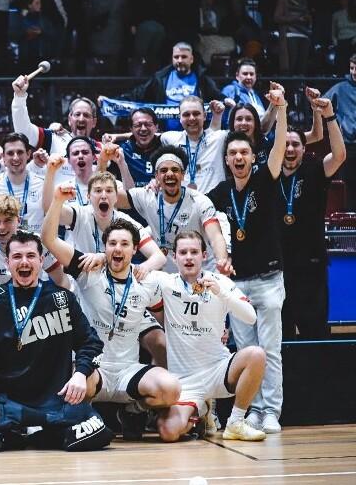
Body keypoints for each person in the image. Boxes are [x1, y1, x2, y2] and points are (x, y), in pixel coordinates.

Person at [0, 230, 111, 453]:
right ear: (8, 262)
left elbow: (91, 343)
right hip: (6, 403)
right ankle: (23, 435)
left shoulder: (63, 298)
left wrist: (80, 373)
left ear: (41, 260)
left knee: (96, 434)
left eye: (30, 256)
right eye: (17, 257)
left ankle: (37, 435)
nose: (24, 262)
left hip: (56, 402)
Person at [41, 204, 181, 441]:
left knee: (171, 388)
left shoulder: (147, 281)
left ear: (135, 249)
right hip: (94, 368)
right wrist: (56, 198)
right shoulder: (88, 270)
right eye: (112, 243)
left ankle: (133, 411)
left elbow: (169, 308)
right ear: (104, 248)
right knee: (74, 385)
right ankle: (89, 417)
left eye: (125, 244)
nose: (118, 249)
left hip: (128, 370)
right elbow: (49, 239)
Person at [206, 87, 288, 434]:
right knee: (246, 350)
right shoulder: (220, 194)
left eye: (244, 152)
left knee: (270, 349)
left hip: (268, 280)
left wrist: (280, 109)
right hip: (236, 284)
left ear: (253, 157)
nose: (238, 157)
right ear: (226, 159)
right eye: (233, 153)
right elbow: (193, 204)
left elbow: (280, 146)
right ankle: (251, 411)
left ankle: (271, 411)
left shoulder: (265, 181)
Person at [154, 232, 267, 442]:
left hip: (217, 369)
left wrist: (221, 294)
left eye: (194, 252)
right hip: (184, 381)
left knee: (257, 355)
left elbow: (251, 317)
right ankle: (202, 411)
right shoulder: (165, 283)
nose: (189, 257)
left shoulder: (220, 282)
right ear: (174, 257)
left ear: (204, 255)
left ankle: (235, 422)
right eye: (183, 252)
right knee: (168, 432)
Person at [280, 99, 346, 339]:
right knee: (281, 333)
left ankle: (318, 377)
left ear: (304, 148)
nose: (289, 149)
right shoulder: (268, 175)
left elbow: (339, 156)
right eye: (285, 144)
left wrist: (328, 115)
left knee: (315, 331)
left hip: (311, 264)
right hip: (278, 267)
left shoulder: (315, 170)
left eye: (295, 144)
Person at [114, 145, 232, 274]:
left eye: (175, 170)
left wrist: (222, 261)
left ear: (183, 175)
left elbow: (215, 236)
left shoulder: (200, 201)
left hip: (202, 273)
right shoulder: (147, 196)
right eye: (164, 170)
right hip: (170, 278)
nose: (169, 174)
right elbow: (111, 198)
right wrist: (105, 162)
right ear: (156, 176)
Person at [105, 42, 223, 131]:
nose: (180, 60)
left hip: (195, 134)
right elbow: (138, 94)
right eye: (176, 57)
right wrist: (112, 101)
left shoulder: (202, 79)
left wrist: (227, 101)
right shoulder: (161, 78)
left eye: (184, 57)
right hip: (166, 135)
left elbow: (218, 97)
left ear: (191, 59)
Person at [12, 74, 99, 184]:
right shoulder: (53, 138)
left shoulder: (101, 149)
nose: (81, 118)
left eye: (86, 115)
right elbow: (23, 131)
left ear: (94, 122)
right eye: (77, 114)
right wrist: (19, 97)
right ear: (69, 119)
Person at [0, 194, 68, 290]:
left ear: (18, 220)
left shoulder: (36, 241)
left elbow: (61, 280)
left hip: (36, 301)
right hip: (1, 303)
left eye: (8, 220)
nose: (1, 227)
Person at [160, 95, 228, 193]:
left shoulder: (220, 138)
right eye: (186, 114)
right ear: (180, 118)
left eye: (196, 114)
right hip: (183, 204)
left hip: (214, 203)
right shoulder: (169, 138)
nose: (191, 118)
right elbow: (145, 136)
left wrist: (223, 112)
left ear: (204, 116)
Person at [0, 133, 48, 233]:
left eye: (20, 152)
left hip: (36, 246)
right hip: (4, 246)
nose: (15, 158)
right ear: (3, 157)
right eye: (10, 153)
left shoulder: (43, 184)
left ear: (28, 154)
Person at [324, 54, 356, 210]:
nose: (354, 72)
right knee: (348, 186)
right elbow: (322, 105)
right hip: (347, 146)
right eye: (352, 68)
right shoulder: (340, 88)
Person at [103, 107, 163, 188]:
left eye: (148, 124)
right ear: (131, 128)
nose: (143, 128)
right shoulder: (121, 150)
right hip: (128, 198)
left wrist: (117, 136)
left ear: (156, 127)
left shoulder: (166, 147)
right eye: (138, 125)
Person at [274, 0, 311, 75]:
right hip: (290, 33)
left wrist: (307, 18)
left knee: (302, 66)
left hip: (304, 33)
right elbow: (277, 17)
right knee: (291, 64)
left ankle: (300, 87)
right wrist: (295, 18)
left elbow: (307, 14)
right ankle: (290, 87)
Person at [331, 0, 356, 74]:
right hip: (341, 43)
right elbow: (333, 32)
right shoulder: (336, 14)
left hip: (353, 42)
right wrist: (335, 42)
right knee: (341, 66)